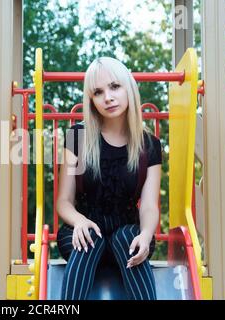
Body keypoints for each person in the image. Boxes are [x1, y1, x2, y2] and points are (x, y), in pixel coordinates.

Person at [56, 57, 162, 300]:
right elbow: (64, 200)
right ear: (91, 100)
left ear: (129, 88)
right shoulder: (78, 136)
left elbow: (148, 206)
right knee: (88, 239)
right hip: (82, 228)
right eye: (98, 92)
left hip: (127, 235)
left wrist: (145, 236)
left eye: (115, 87)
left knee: (128, 239)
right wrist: (79, 221)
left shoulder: (150, 145)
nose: (108, 97)